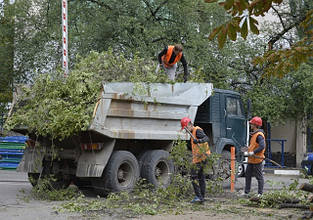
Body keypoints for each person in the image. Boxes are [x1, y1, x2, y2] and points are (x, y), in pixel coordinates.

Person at [180, 117, 210, 203]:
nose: (186, 130)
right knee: (201, 177)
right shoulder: (192, 133)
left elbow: (206, 138)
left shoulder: (197, 130)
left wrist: (199, 140)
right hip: (201, 157)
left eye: (186, 128)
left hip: (202, 157)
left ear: (190, 124)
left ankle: (198, 196)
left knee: (193, 176)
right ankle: (201, 197)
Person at [243, 116, 266, 197]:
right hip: (251, 160)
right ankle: (247, 192)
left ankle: (260, 194)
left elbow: (262, 146)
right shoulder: (254, 135)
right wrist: (247, 149)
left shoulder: (259, 135)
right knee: (247, 175)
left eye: (252, 123)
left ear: (256, 125)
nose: (250, 125)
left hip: (257, 160)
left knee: (259, 177)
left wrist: (252, 152)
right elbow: (254, 146)